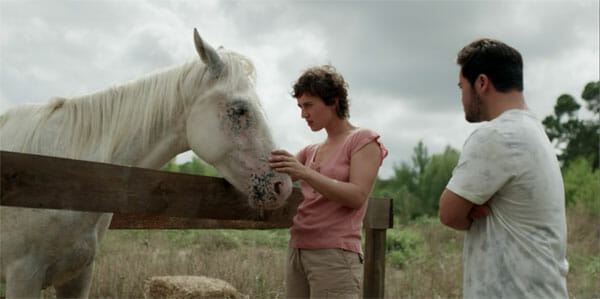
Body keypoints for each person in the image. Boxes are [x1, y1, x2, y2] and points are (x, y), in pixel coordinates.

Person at [438, 38, 569, 298]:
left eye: (461, 86)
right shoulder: (534, 132)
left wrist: (467, 209)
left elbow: (449, 213)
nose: (462, 97)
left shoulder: (497, 136)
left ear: (482, 83)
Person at [269, 65, 387, 298]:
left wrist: (305, 173)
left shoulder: (363, 140)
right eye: (300, 107)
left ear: (333, 102)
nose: (303, 114)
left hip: (335, 255)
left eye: (308, 105)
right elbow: (272, 180)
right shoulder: (310, 150)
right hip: (297, 249)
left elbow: (357, 196)